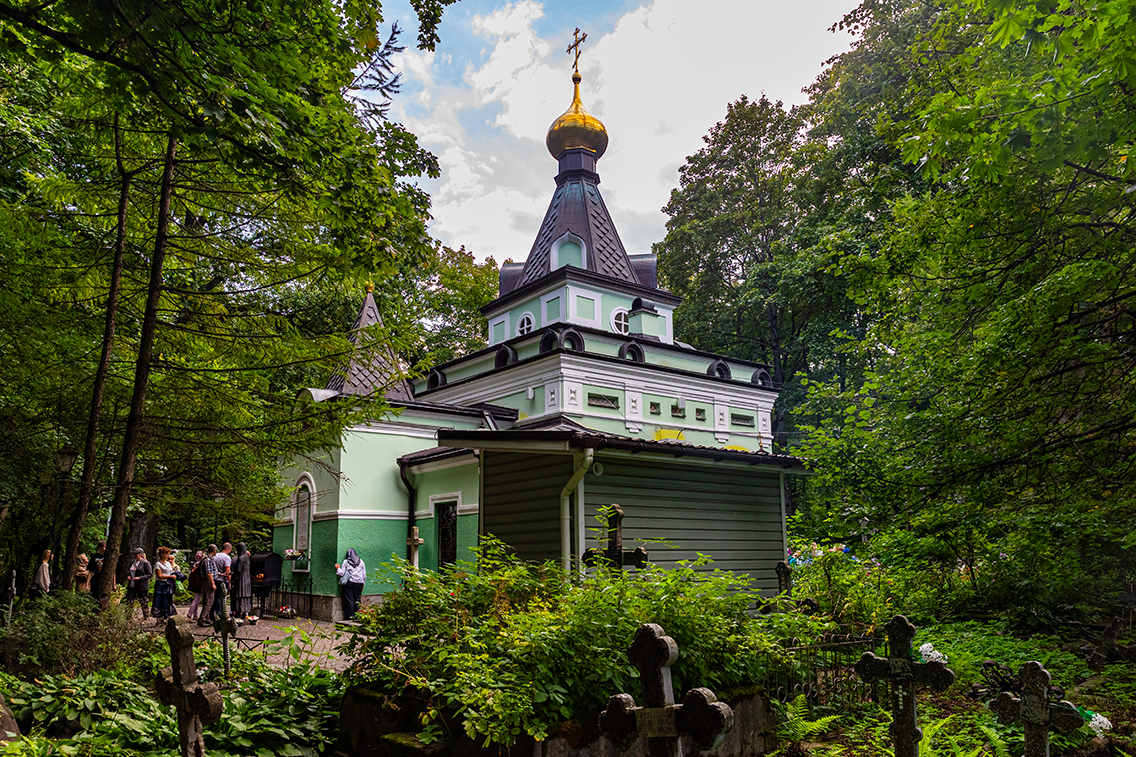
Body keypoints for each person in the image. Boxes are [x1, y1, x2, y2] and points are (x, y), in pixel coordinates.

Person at [335, 548, 366, 620]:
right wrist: (363, 583)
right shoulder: (361, 562)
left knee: (349, 600)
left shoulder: (346, 562)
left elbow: (341, 573)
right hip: (359, 583)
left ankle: (350, 617)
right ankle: (357, 616)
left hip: (350, 583)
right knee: (357, 599)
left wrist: (338, 568)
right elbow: (364, 574)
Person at [151, 547, 181, 622]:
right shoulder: (158, 564)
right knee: (159, 601)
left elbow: (170, 571)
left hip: (167, 584)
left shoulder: (168, 563)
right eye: (166, 554)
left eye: (168, 554)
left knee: (166, 601)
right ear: (162, 554)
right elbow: (159, 576)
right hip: (160, 584)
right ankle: (159, 619)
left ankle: (165, 617)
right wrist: (170, 576)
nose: (168, 555)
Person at [125, 548, 152, 618]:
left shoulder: (145, 563)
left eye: (136, 554)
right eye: (133, 554)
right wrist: (129, 576)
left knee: (143, 601)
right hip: (132, 585)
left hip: (141, 586)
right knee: (129, 601)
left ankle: (146, 617)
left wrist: (140, 578)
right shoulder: (132, 562)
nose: (134, 555)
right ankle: (128, 617)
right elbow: (129, 571)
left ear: (140, 554)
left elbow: (149, 574)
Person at [197, 544, 219, 627]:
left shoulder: (208, 559)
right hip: (208, 582)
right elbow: (209, 573)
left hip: (208, 581)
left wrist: (220, 574)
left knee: (208, 600)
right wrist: (213, 584)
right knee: (208, 601)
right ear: (214, 551)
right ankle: (202, 619)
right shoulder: (208, 560)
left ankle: (206, 618)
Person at [211, 542, 232, 620]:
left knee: (214, 598)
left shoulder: (215, 556)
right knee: (222, 598)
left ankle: (212, 615)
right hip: (222, 580)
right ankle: (220, 615)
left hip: (214, 580)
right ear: (228, 549)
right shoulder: (226, 558)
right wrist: (229, 582)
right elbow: (227, 571)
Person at [232, 542, 252, 618]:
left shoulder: (240, 558)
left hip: (241, 579)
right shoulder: (247, 558)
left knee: (239, 595)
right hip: (247, 579)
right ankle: (245, 612)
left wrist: (233, 575)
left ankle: (238, 611)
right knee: (246, 596)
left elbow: (238, 570)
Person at [186, 550, 204, 621]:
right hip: (197, 584)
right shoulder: (198, 565)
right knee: (196, 600)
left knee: (197, 599)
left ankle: (195, 615)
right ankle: (189, 614)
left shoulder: (194, 563)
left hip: (194, 584)